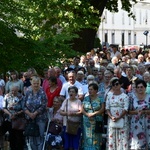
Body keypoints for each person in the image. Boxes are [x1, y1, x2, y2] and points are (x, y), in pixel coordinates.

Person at [24, 76, 48, 150]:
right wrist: (29, 114)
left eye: (37, 83)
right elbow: (24, 105)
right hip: (29, 118)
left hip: (40, 118)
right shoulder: (28, 91)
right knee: (31, 136)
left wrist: (35, 113)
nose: (36, 85)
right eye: (34, 83)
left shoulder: (42, 92)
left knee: (40, 136)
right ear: (31, 83)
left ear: (40, 83)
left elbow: (44, 105)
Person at [106, 77, 129, 150]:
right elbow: (107, 108)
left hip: (122, 118)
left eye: (117, 84)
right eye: (113, 85)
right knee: (112, 137)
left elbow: (126, 108)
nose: (115, 86)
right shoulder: (109, 95)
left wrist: (119, 117)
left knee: (122, 137)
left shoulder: (125, 96)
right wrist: (111, 117)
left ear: (120, 85)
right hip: (112, 119)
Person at [82, 83, 105, 150]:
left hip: (97, 120)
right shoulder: (86, 98)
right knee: (87, 135)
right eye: (89, 89)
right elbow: (82, 109)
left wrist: (94, 113)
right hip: (87, 120)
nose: (90, 91)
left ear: (96, 90)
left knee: (96, 136)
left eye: (91, 89)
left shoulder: (100, 98)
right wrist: (86, 114)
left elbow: (102, 109)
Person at [128, 79, 150, 150]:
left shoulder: (149, 97)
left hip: (148, 122)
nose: (140, 89)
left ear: (145, 87)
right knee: (137, 143)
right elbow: (129, 111)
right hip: (136, 123)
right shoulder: (132, 97)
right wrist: (137, 112)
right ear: (136, 88)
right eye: (138, 87)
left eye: (142, 87)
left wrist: (144, 112)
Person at [3, 85, 24, 150]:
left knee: (19, 137)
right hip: (9, 119)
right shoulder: (7, 96)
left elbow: (24, 109)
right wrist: (9, 114)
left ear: (18, 90)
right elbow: (4, 108)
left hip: (18, 120)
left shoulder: (21, 97)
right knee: (11, 137)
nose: (13, 92)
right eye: (12, 90)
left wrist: (16, 114)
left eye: (15, 91)